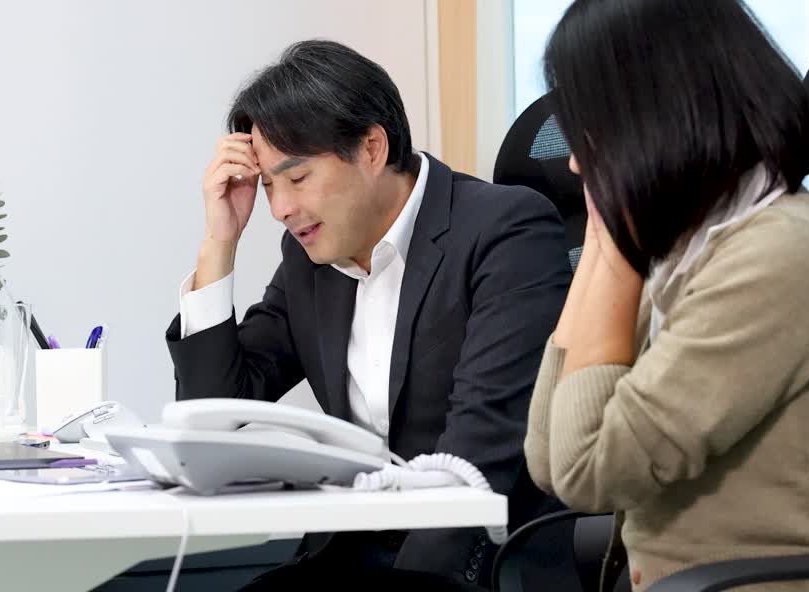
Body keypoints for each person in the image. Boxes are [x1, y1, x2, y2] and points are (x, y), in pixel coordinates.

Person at [523, 0, 809, 592]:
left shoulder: (782, 255)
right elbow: (548, 458)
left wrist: (612, 243)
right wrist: (603, 233)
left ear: (655, 114)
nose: (578, 162)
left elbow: (588, 470)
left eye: (593, 132)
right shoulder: (688, 250)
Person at [168, 39, 571, 587]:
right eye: (266, 186)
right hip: (346, 556)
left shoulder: (505, 231)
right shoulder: (312, 259)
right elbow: (217, 419)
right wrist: (219, 244)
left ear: (372, 148)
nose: (281, 208)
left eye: (297, 177)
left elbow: (482, 451)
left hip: (473, 562)